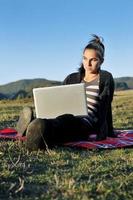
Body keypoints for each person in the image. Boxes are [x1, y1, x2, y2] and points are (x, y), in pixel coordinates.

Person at [17, 34, 116, 151]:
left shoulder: (105, 78)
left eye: (93, 60)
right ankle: (37, 127)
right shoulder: (71, 78)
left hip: (86, 124)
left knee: (66, 123)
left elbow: (105, 104)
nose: (88, 64)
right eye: (85, 58)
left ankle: (37, 128)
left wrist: (106, 131)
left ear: (101, 61)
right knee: (60, 121)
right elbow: (60, 98)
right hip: (64, 116)